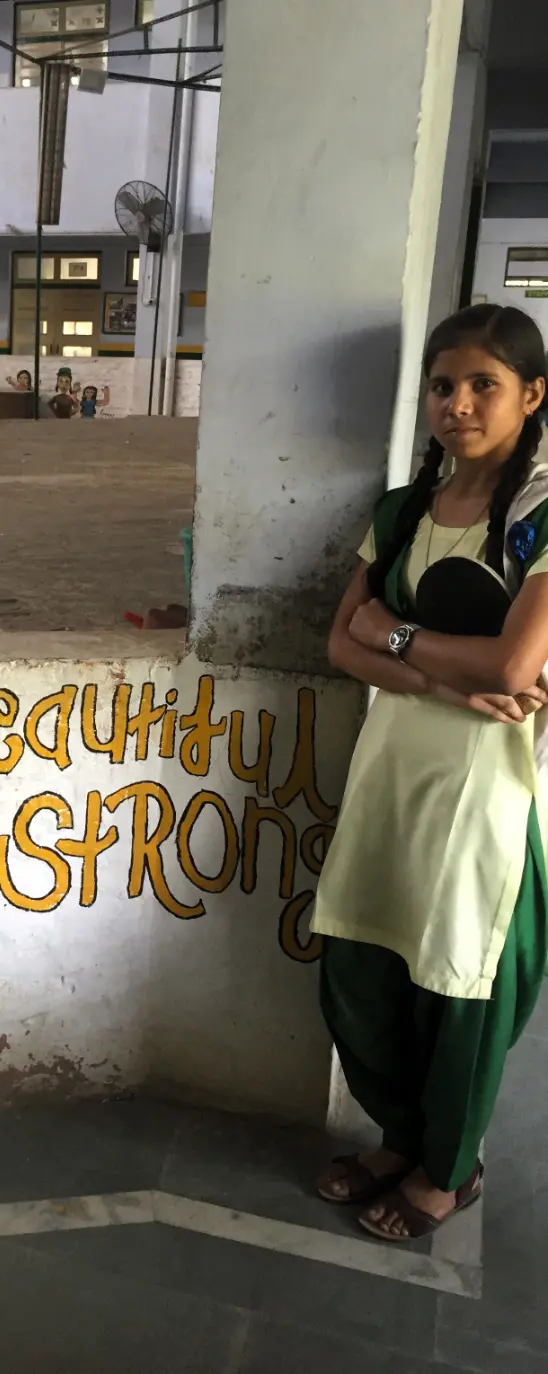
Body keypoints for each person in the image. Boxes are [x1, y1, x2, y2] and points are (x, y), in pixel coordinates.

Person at [312, 303, 548, 1242]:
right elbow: (340, 642)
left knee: (461, 987)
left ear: (532, 396)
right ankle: (399, 1136)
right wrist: (424, 667)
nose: (458, 404)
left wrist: (393, 632)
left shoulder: (538, 517)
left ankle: (448, 1170)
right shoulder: (403, 511)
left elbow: (513, 671)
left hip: (492, 797)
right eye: (443, 386)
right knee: (363, 964)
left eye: (483, 385)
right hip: (394, 774)